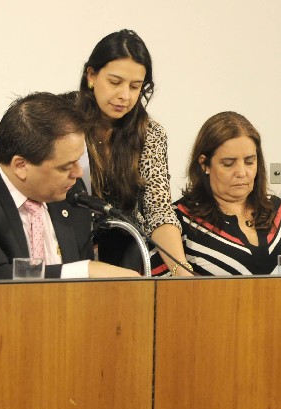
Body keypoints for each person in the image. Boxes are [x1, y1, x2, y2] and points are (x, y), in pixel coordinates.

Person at [0, 92, 139, 280]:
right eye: (65, 167)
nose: (77, 173)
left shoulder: (70, 193)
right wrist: (85, 270)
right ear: (21, 165)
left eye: (78, 161)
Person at [72, 29, 192, 276]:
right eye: (115, 82)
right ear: (91, 75)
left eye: (135, 86)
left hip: (124, 254)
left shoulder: (149, 133)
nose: (124, 96)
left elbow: (158, 208)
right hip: (67, 250)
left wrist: (181, 269)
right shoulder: (62, 121)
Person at [151, 111, 281, 275]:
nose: (242, 172)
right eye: (229, 164)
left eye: (249, 162)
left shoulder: (277, 210)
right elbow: (158, 285)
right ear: (204, 165)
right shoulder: (177, 219)